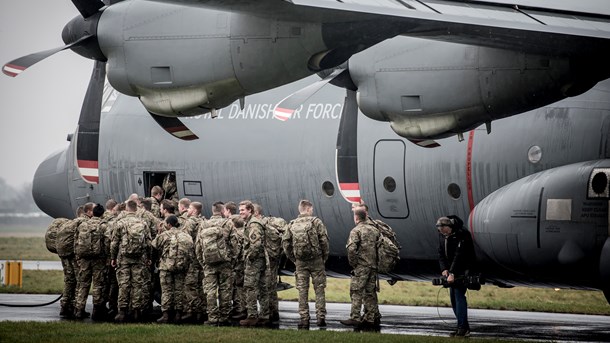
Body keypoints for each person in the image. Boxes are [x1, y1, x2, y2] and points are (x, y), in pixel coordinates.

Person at [282, 200, 329, 330]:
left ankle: (304, 319)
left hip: (300, 262)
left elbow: (286, 244)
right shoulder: (316, 222)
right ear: (308, 209)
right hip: (317, 261)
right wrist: (323, 257)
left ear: (300, 210)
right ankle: (320, 318)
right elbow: (324, 241)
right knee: (319, 289)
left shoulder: (292, 224)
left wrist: (294, 259)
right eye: (311, 209)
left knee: (302, 291)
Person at [196, 202, 240, 326]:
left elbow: (198, 246)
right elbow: (235, 244)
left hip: (208, 264)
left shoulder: (204, 224)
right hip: (225, 263)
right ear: (222, 211)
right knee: (225, 290)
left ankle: (212, 318)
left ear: (212, 211)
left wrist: (203, 261)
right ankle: (224, 316)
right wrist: (232, 259)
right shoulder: (228, 223)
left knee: (210, 291)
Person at [111, 200, 152, 322]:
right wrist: (149, 258)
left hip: (123, 258)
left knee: (124, 285)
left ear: (127, 209)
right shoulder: (143, 223)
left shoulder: (120, 223)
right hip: (139, 258)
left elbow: (114, 243)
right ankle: (136, 312)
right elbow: (149, 243)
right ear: (136, 209)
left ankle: (122, 312)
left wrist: (113, 257)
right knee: (137, 285)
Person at [437, 215, 476, 337]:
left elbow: (459, 255)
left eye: (444, 230)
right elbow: (440, 253)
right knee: (454, 300)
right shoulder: (444, 236)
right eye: (440, 231)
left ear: (449, 227)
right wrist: (444, 269)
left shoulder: (461, 235)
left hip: (462, 271)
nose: (443, 233)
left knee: (459, 298)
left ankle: (462, 328)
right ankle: (463, 327)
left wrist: (452, 272)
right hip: (451, 272)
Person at [341, 208, 380, 329]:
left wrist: (354, 264)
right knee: (370, 292)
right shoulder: (375, 230)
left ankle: (355, 317)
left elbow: (351, 249)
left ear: (356, 218)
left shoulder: (356, 230)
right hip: (373, 266)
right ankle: (370, 319)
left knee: (356, 291)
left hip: (361, 267)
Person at [152, 215, 194, 323]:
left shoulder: (164, 235)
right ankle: (178, 314)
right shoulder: (186, 236)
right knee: (179, 290)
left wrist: (159, 232)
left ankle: (166, 315)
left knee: (166, 290)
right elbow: (190, 251)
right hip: (181, 267)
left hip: (166, 267)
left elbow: (155, 245)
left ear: (169, 224)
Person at [238, 200, 271, 326]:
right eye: (240, 210)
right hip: (259, 260)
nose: (240, 212)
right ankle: (264, 315)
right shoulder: (250, 223)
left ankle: (252, 316)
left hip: (255, 261)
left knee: (250, 287)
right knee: (262, 288)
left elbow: (256, 245)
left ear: (250, 210)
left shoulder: (253, 224)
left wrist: (249, 257)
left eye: (243, 210)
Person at [74, 204, 107, 320]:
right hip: (98, 260)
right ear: (102, 214)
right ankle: (96, 311)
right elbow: (107, 243)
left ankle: (79, 310)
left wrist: (78, 257)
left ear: (92, 213)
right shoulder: (103, 226)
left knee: (83, 284)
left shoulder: (83, 224)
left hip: (84, 259)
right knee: (98, 285)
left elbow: (76, 242)